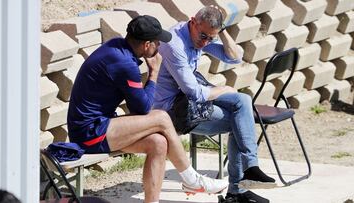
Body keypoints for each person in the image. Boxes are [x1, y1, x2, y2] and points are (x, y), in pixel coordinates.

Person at [67, 15, 228, 203]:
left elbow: (138, 108)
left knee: (158, 143)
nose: (160, 47)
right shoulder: (124, 63)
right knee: (161, 117)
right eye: (157, 43)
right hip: (89, 133)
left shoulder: (118, 47)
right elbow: (143, 108)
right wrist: (154, 73)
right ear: (146, 45)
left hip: (100, 125)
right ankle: (192, 179)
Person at [153, 6, 276, 203]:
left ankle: (251, 168)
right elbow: (194, 91)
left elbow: (235, 57)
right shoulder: (175, 44)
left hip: (191, 101)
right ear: (193, 21)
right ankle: (238, 191)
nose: (205, 42)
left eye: (211, 38)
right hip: (173, 111)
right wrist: (225, 89)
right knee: (240, 122)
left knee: (243, 101)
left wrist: (223, 30)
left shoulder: (202, 34)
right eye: (203, 36)